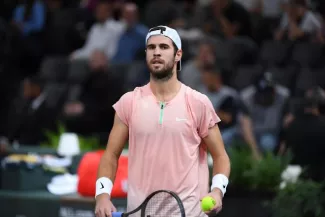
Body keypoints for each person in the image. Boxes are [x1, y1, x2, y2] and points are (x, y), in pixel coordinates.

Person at [94, 25, 231, 217]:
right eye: (151, 47)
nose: (157, 52)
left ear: (178, 54)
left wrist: (217, 190)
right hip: (140, 213)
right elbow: (110, 155)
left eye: (164, 47)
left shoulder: (198, 103)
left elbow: (220, 156)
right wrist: (102, 196)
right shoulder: (129, 102)